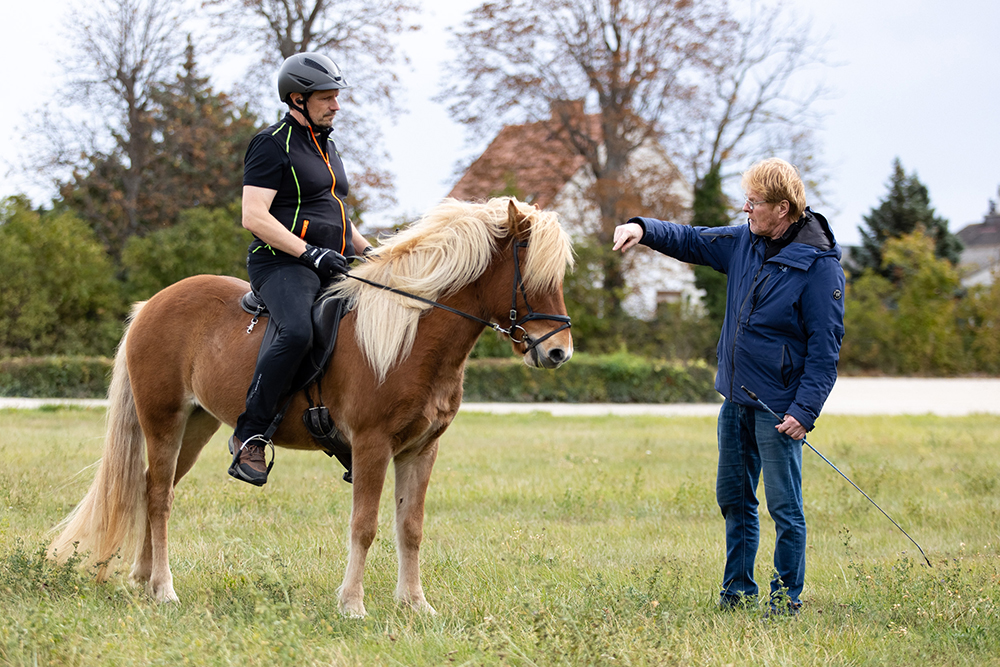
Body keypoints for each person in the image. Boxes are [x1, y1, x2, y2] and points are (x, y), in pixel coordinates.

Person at [612, 158, 845, 614]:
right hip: (735, 401)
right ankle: (737, 593)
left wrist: (804, 410)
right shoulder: (745, 242)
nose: (745, 209)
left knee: (785, 509)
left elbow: (825, 350)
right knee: (735, 501)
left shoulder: (820, 269)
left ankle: (785, 600)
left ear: (783, 208)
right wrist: (641, 227)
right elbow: (691, 238)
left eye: (754, 203)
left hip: (779, 410)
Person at [230, 52, 373, 486]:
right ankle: (250, 433)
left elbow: (336, 214)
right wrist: (309, 253)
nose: (336, 105)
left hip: (329, 261)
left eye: (336, 97)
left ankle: (343, 426)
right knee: (296, 330)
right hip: (280, 264)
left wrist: (374, 253)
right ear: (298, 98)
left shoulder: (326, 145)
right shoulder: (270, 143)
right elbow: (253, 216)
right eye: (328, 98)